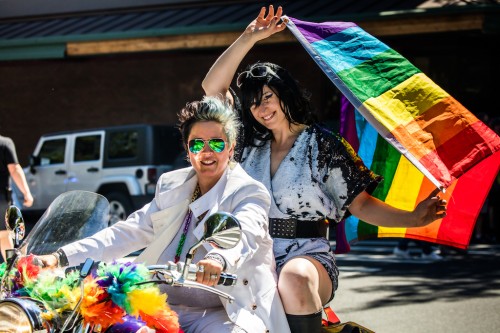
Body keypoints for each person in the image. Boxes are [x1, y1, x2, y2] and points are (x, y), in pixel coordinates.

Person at [202, 5, 447, 332]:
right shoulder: (246, 143)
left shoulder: (324, 146)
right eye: (253, 103)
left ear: (285, 94)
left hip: (307, 257)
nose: (261, 108)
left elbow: (361, 205)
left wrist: (413, 218)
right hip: (247, 256)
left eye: (268, 97)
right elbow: (212, 89)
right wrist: (250, 37)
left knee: (293, 279)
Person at [37, 97, 290, 333]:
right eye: (197, 143)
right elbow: (129, 230)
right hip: (164, 307)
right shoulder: (172, 186)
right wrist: (60, 257)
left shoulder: (248, 191)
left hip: (225, 310)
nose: (207, 151)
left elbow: (246, 229)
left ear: (231, 148)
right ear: (187, 149)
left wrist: (217, 259)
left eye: (216, 143)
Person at [0, 134, 34, 262]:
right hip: (1, 199)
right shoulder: (4, 143)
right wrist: (26, 193)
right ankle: (12, 272)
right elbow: (14, 169)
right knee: (4, 236)